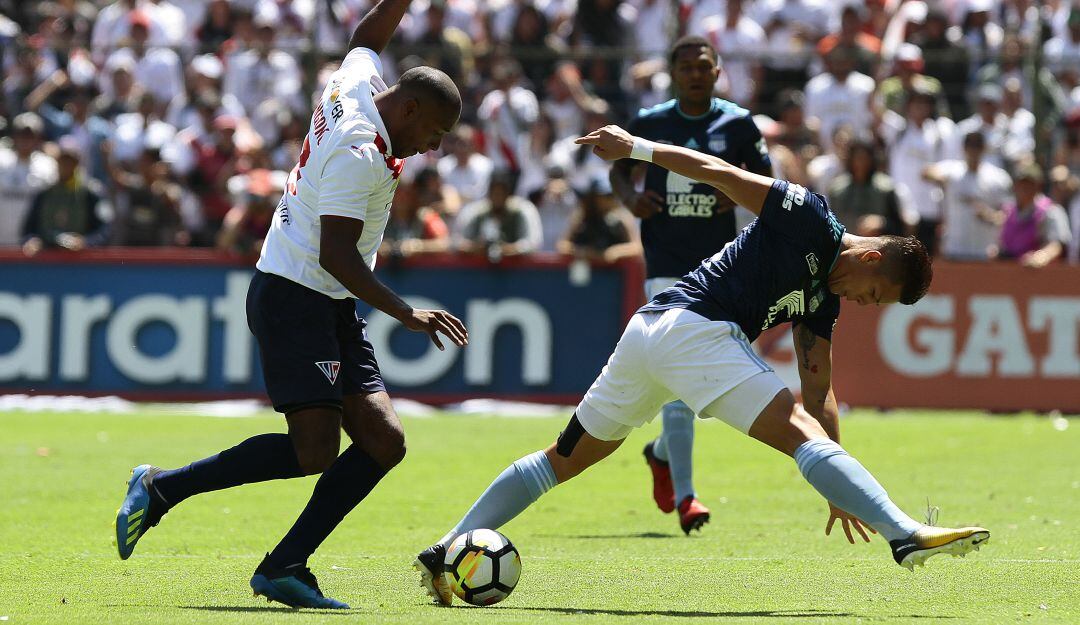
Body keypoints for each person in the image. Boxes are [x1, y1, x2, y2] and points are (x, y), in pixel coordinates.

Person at [414, 124, 989, 606]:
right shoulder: (809, 217)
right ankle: (905, 533)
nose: (864, 303)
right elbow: (721, 173)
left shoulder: (823, 299)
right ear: (869, 259)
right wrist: (637, 148)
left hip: (648, 334)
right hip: (693, 329)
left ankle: (446, 547)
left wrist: (841, 483)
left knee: (560, 462)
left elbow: (820, 390)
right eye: (873, 294)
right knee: (796, 436)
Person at [114, 0, 468, 609]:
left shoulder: (358, 83)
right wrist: (405, 312)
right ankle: (161, 487)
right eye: (433, 135)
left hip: (326, 301)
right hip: (295, 294)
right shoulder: (359, 151)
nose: (432, 149)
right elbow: (338, 254)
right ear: (407, 109)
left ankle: (285, 565)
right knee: (315, 452)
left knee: (383, 441)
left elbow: (365, 35)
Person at [609, 35, 772, 535]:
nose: (695, 74)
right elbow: (621, 171)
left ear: (717, 71)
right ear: (674, 74)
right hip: (665, 260)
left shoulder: (738, 124)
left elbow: (764, 177)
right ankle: (688, 498)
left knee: (695, 381)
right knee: (681, 387)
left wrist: (736, 195)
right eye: (686, 67)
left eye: (703, 66)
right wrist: (631, 200)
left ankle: (660, 454)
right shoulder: (653, 122)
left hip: (721, 267)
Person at [923, 131, 1011, 262]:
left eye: (977, 145)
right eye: (970, 145)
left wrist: (989, 215)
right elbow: (926, 172)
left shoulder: (998, 177)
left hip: (985, 251)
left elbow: (1008, 215)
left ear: (984, 148)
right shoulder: (952, 171)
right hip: (954, 249)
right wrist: (943, 180)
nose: (973, 150)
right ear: (964, 148)